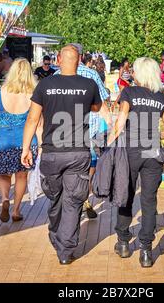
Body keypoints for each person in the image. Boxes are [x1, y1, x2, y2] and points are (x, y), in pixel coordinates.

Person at [21, 45, 102, 265]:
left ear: (58, 59)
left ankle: (60, 240)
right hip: (78, 152)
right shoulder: (89, 84)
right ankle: (65, 247)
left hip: (52, 152)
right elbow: (96, 107)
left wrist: (26, 148)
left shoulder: (46, 85)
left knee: (58, 198)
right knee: (72, 200)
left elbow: (32, 119)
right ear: (79, 61)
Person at [107, 57, 164, 268]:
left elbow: (120, 121)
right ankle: (146, 251)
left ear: (140, 73)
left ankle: (124, 242)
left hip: (130, 151)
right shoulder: (161, 97)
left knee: (125, 196)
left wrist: (108, 143)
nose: (132, 74)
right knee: (149, 201)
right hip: (152, 153)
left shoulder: (129, 93)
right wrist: (153, 137)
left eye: (134, 71)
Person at [54, 43, 112, 220]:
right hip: (90, 130)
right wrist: (111, 127)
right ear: (80, 57)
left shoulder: (56, 76)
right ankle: (83, 197)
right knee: (88, 170)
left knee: (67, 169)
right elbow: (103, 100)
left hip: (63, 131)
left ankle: (71, 201)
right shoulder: (92, 74)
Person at [0, 58, 38, 223]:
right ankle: (16, 210)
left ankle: (5, 198)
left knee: (4, 174)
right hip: (26, 142)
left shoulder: (0, 91)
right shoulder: (33, 93)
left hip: (3, 141)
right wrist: (41, 144)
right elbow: (38, 120)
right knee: (21, 176)